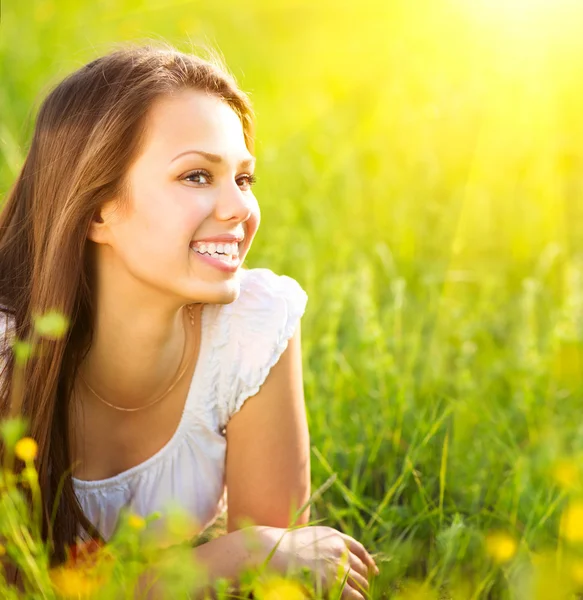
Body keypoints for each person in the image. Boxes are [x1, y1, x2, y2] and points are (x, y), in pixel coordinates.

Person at [0, 43, 378, 598]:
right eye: (198, 176)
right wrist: (238, 554)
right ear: (98, 209)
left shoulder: (253, 326)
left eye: (244, 180)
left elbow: (280, 579)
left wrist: (260, 559)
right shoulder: (8, 354)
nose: (239, 210)